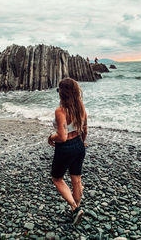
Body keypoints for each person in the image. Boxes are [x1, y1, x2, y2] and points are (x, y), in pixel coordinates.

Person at [48, 77, 87, 225]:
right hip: (79, 144)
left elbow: (62, 137)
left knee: (57, 179)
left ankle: (75, 207)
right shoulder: (80, 106)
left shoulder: (61, 111)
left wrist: (51, 137)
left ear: (62, 93)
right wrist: (82, 142)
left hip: (66, 148)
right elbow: (85, 128)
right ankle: (76, 210)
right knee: (76, 180)